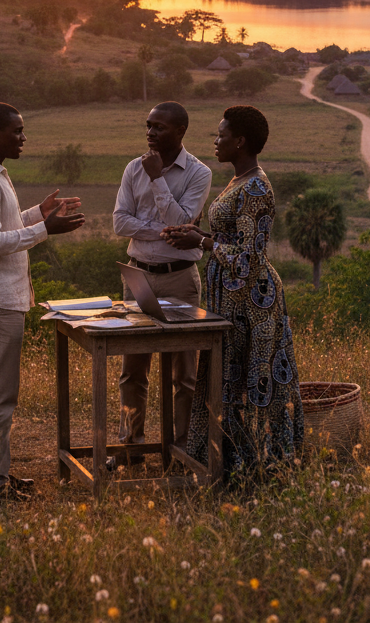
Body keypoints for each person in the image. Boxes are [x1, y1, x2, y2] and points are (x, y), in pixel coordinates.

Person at [163, 105, 303, 484]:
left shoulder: (256, 188)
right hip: (231, 302)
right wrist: (192, 235)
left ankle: (253, 470)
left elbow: (250, 261)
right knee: (227, 383)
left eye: (221, 134)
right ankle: (223, 466)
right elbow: (231, 241)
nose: (215, 140)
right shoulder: (239, 181)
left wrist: (204, 242)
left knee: (244, 387)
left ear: (240, 141)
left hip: (252, 305)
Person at [0, 102, 85, 500]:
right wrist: (45, 230)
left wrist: (36, 214)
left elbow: (3, 226)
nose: (23, 138)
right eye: (16, 131)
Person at [111, 101, 212, 467]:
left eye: (160, 127)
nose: (151, 133)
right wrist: (164, 233)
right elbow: (120, 222)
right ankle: (131, 447)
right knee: (132, 369)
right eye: (149, 125)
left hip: (179, 279)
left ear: (181, 132)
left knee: (182, 374)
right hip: (138, 276)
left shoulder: (198, 173)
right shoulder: (132, 168)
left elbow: (184, 220)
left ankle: (180, 451)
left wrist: (156, 179)